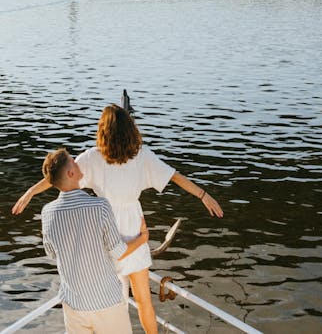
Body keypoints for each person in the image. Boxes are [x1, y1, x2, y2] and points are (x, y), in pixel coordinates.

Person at [14, 104, 224, 334]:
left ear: (103, 132)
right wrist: (203, 195)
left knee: (116, 302)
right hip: (134, 228)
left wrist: (31, 192)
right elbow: (174, 176)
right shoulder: (141, 156)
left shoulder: (93, 157)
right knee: (144, 300)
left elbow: (58, 176)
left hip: (105, 229)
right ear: (130, 130)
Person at [40, 147, 149, 334]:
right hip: (107, 303)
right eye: (74, 161)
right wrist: (142, 238)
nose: (78, 162)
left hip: (74, 305)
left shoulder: (47, 213)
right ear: (71, 173)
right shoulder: (100, 206)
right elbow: (118, 251)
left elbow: (51, 253)